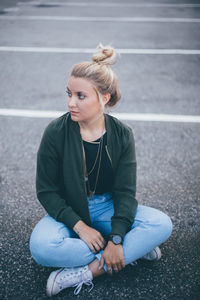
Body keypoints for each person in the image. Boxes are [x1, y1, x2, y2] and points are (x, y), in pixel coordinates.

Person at [29, 44, 173, 297]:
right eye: (69, 93)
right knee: (40, 247)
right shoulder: (56, 131)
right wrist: (80, 227)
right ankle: (130, 252)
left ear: (104, 98)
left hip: (108, 207)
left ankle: (88, 271)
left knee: (161, 224)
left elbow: (126, 193)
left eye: (80, 96)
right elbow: (47, 191)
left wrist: (116, 238)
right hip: (69, 209)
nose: (70, 102)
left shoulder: (122, 134)